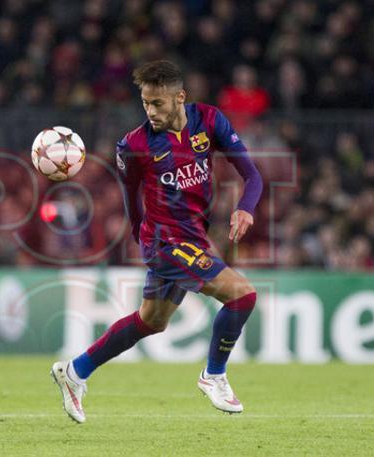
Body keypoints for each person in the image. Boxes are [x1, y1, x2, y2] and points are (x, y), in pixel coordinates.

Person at [52, 60, 263, 423]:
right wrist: (141, 237)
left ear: (180, 97)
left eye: (158, 103)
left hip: (193, 238)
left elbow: (252, 175)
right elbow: (130, 194)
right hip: (165, 242)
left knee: (151, 321)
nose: (151, 111)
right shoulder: (134, 144)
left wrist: (245, 208)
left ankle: (74, 371)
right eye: (146, 103)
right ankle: (214, 375)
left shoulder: (210, 121)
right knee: (242, 295)